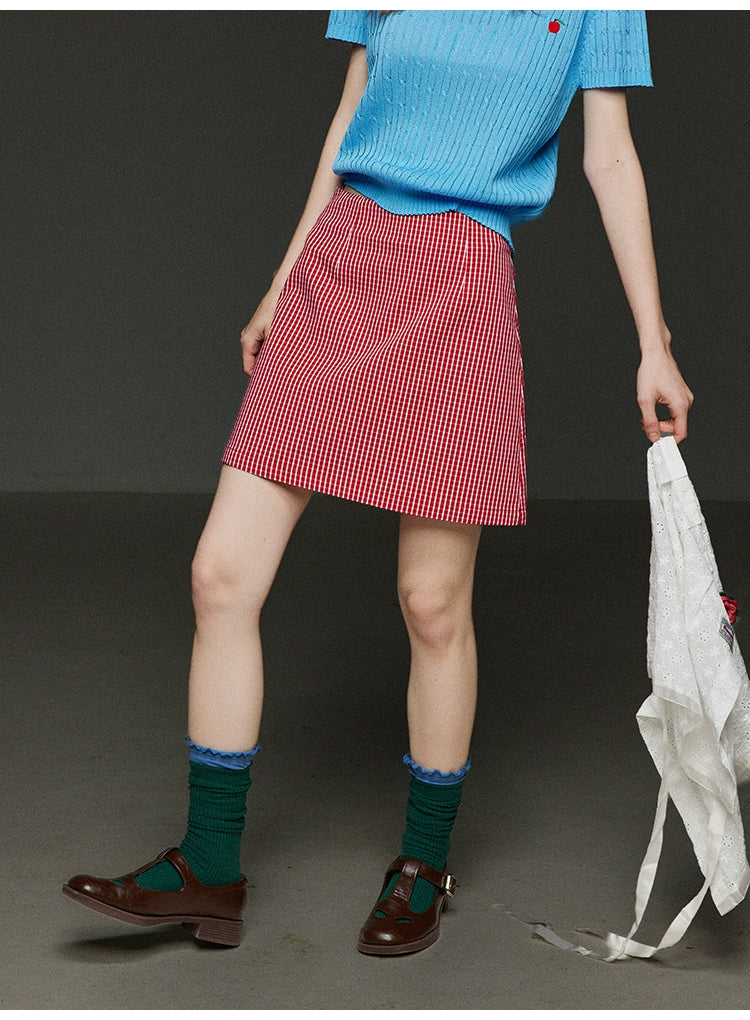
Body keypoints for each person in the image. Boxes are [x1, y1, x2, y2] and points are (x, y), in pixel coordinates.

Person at [63, 10, 693, 956]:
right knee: (220, 575)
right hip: (342, 259)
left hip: (461, 276)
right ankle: (209, 867)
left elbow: (610, 156)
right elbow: (351, 111)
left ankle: (423, 865)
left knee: (432, 603)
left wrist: (654, 340)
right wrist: (283, 279)